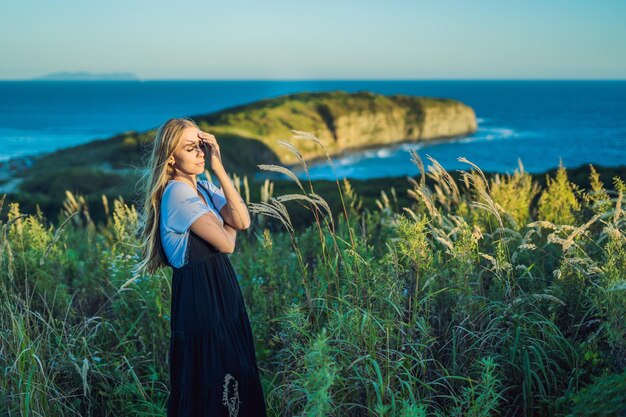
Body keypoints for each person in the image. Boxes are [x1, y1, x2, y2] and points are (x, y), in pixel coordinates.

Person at [133, 117, 268, 416]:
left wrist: (219, 167)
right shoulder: (177, 193)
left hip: (221, 293)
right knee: (213, 380)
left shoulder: (204, 187)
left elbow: (242, 222)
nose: (200, 153)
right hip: (202, 299)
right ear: (170, 158)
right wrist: (227, 225)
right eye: (191, 147)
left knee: (231, 376)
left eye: (202, 145)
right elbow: (229, 243)